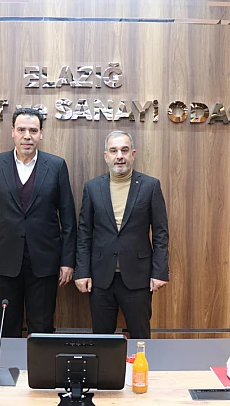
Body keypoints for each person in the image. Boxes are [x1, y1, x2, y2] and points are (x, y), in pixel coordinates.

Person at [0, 107, 77, 337]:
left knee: (42, 328)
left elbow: (68, 219)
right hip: (3, 261)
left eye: (33, 130)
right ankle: (9, 362)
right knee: (7, 326)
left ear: (41, 134)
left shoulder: (56, 166)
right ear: (13, 132)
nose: (27, 136)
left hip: (45, 262)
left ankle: (41, 363)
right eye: (21, 130)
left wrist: (68, 262)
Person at [75, 130, 169, 339]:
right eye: (114, 151)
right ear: (106, 156)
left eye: (124, 150)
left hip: (138, 277)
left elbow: (161, 233)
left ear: (133, 154)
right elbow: (84, 233)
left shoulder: (150, 186)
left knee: (140, 337)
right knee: (101, 340)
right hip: (101, 277)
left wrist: (160, 272)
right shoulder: (92, 187)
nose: (119, 156)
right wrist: (82, 271)